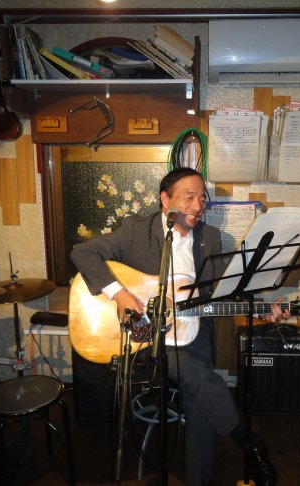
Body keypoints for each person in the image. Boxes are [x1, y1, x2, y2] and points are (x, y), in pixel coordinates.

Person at [71, 168, 286, 485]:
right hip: (148, 339)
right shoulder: (136, 231)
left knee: (200, 396)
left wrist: (262, 308)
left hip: (194, 336)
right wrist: (121, 294)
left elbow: (224, 292)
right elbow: (83, 252)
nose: (198, 206)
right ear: (165, 199)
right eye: (189, 197)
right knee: (199, 377)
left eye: (202, 199)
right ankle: (250, 443)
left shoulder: (210, 238)